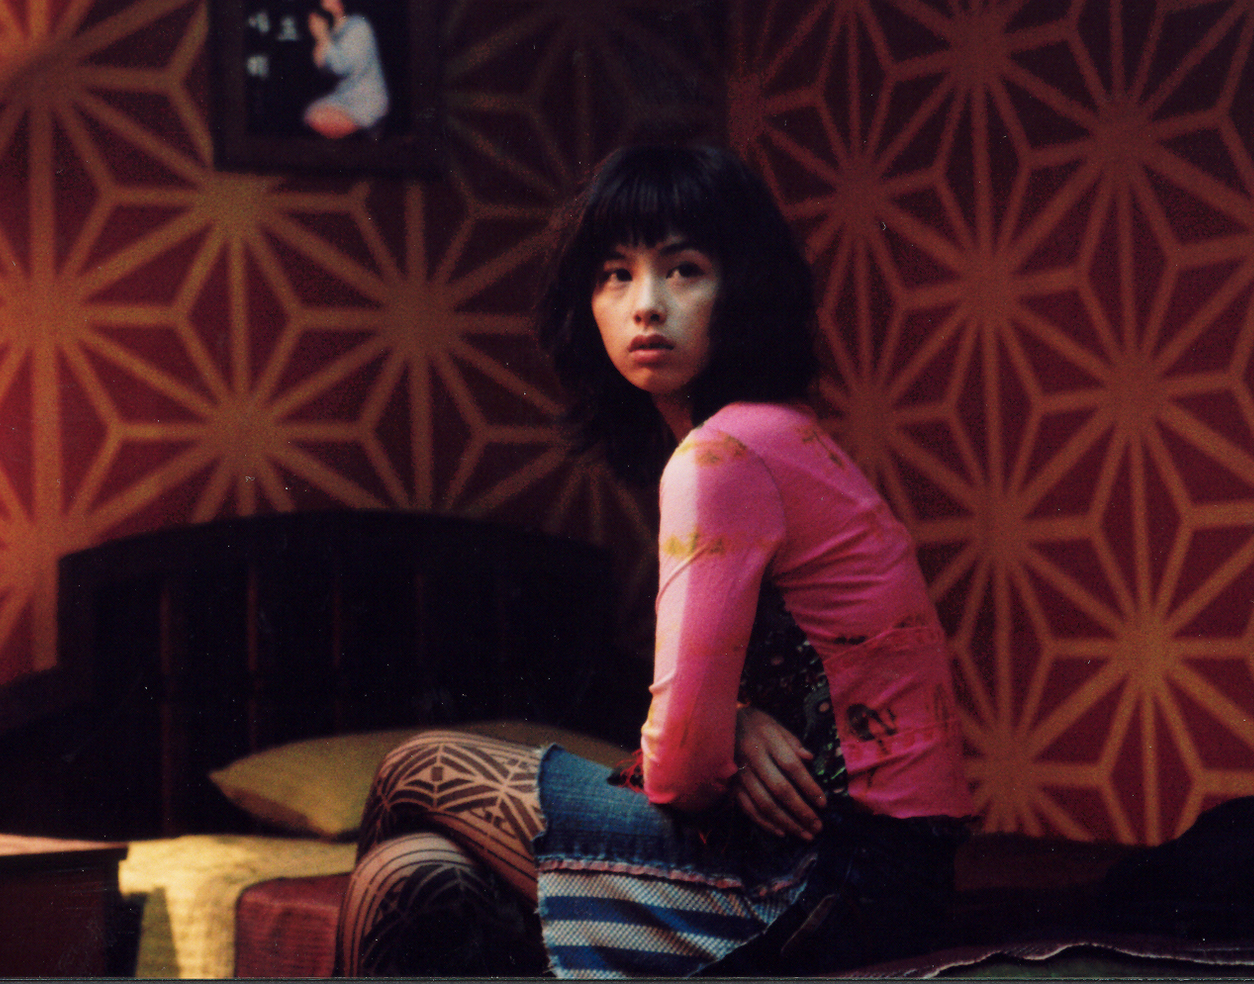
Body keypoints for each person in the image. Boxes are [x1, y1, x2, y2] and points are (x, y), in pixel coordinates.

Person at [335, 144, 974, 977]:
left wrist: (714, 735)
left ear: (743, 288)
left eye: (683, 271)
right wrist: (731, 721)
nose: (646, 306)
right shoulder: (781, 435)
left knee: (418, 766)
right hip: (888, 873)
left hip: (827, 875)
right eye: (615, 275)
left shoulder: (724, 455)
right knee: (414, 875)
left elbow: (679, 773)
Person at [304, 0, 389, 138]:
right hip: (345, 97)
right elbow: (325, 70)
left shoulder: (359, 26)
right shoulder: (335, 29)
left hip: (366, 101)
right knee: (309, 114)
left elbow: (341, 67)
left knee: (318, 119)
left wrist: (323, 38)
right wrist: (321, 41)